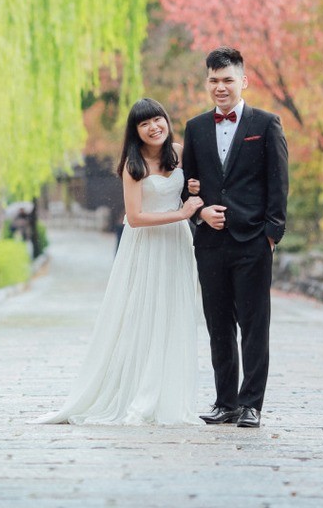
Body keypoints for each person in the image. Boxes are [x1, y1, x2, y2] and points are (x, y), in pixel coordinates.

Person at [35, 98, 204, 425]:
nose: (154, 127)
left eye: (158, 119)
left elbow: (196, 189)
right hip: (146, 245)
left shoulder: (181, 153)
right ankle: (138, 393)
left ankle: (169, 395)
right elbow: (136, 217)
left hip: (177, 245)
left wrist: (193, 190)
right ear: (136, 131)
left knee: (174, 314)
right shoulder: (133, 164)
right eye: (144, 124)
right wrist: (180, 213)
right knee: (143, 315)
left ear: (166, 121)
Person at [181, 46, 288, 429]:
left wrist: (271, 234)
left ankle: (251, 404)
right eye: (214, 80)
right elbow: (187, 185)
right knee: (218, 324)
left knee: (254, 324)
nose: (220, 87)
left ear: (244, 81)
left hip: (253, 241)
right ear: (207, 82)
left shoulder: (266, 124)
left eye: (228, 80)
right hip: (210, 244)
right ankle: (225, 401)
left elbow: (278, 182)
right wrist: (199, 212)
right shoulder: (194, 128)